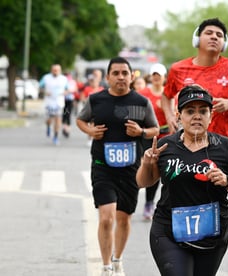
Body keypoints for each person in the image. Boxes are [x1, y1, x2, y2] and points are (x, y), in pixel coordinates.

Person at [136, 85, 228, 276]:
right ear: (179, 115)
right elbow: (143, 182)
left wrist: (227, 180)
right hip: (168, 231)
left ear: (211, 115)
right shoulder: (166, 146)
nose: (197, 116)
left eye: (203, 111)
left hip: (212, 234)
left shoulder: (225, 147)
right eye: (190, 111)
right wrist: (147, 163)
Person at [76, 57, 160, 276]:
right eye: (116, 73)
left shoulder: (142, 103)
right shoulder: (96, 100)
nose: (121, 77)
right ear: (107, 77)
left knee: (123, 218)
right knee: (106, 217)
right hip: (102, 166)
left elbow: (156, 129)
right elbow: (80, 120)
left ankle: (117, 260)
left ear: (132, 77)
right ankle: (105, 267)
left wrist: (141, 132)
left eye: (125, 73)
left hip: (131, 168)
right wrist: (90, 131)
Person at [161, 17, 228, 140]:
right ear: (197, 40)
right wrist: (169, 116)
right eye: (208, 33)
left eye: (219, 35)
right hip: (186, 144)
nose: (214, 37)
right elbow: (166, 96)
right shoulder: (178, 69)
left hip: (221, 144)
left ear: (224, 44)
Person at [139, 63, 171, 220]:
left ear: (164, 77)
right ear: (151, 77)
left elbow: (176, 115)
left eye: (159, 76)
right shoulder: (143, 93)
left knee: (158, 169)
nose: (156, 78)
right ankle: (142, 199)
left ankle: (151, 203)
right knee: (145, 167)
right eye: (154, 75)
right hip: (147, 135)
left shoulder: (169, 95)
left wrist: (165, 106)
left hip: (164, 135)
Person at [39, 64, 69, 145]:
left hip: (59, 103)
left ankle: (55, 136)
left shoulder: (64, 79)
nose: (55, 71)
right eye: (54, 70)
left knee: (58, 119)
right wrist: (45, 92)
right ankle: (48, 126)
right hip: (49, 102)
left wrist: (64, 93)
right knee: (49, 120)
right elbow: (40, 87)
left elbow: (68, 89)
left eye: (57, 70)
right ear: (51, 70)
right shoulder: (46, 78)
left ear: (60, 70)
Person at [62, 72, 78, 138]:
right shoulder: (62, 81)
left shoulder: (72, 82)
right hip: (63, 100)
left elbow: (75, 89)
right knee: (64, 115)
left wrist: (68, 91)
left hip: (69, 100)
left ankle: (67, 129)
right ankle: (65, 128)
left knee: (68, 114)